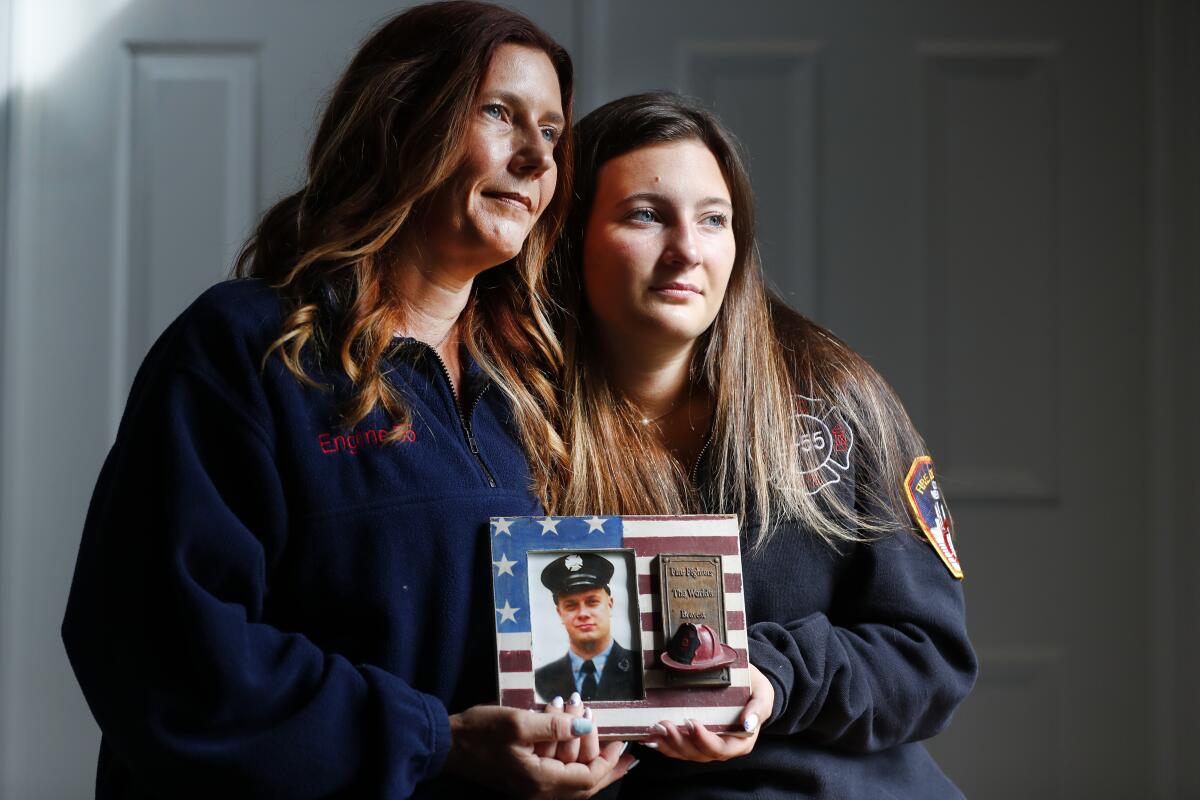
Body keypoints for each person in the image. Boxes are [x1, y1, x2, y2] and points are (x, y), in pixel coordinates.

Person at [60, 4, 633, 798]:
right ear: (402, 122)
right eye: (500, 114)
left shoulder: (536, 386)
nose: (538, 157)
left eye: (552, 132)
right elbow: (163, 651)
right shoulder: (245, 350)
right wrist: (436, 741)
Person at [543, 92, 978, 798]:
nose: (687, 249)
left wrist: (771, 678)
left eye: (714, 220)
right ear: (570, 237)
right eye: (646, 215)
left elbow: (930, 660)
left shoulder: (835, 404)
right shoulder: (516, 426)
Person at [535, 553, 642, 703]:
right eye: (571, 606)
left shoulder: (640, 666)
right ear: (560, 613)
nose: (583, 614)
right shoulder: (541, 679)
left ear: (610, 605)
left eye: (592, 602)